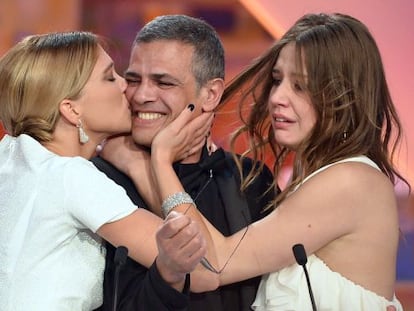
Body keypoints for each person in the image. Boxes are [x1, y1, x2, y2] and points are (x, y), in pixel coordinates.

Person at [141, 12, 410, 310]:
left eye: (300, 86)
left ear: (343, 94)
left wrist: (160, 161)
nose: (277, 97)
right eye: (278, 80)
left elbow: (215, 263)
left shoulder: (349, 180)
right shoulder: (322, 178)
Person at [0, 31, 217, 311]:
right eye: (109, 77)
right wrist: (158, 162)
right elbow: (205, 270)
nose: (126, 86)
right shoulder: (72, 176)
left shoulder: (13, 157)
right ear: (71, 109)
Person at [92, 14, 275, 311]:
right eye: (134, 79)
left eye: (163, 83)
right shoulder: (100, 178)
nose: (141, 95)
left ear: (211, 94)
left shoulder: (250, 180)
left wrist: (154, 164)